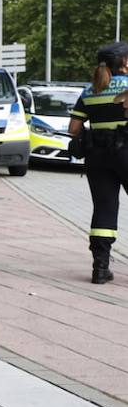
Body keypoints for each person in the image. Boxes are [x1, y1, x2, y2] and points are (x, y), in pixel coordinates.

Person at [68, 42, 128, 284]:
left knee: (103, 207)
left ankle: (100, 268)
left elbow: (73, 129)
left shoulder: (90, 90)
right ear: (124, 62)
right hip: (125, 151)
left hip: (97, 155)